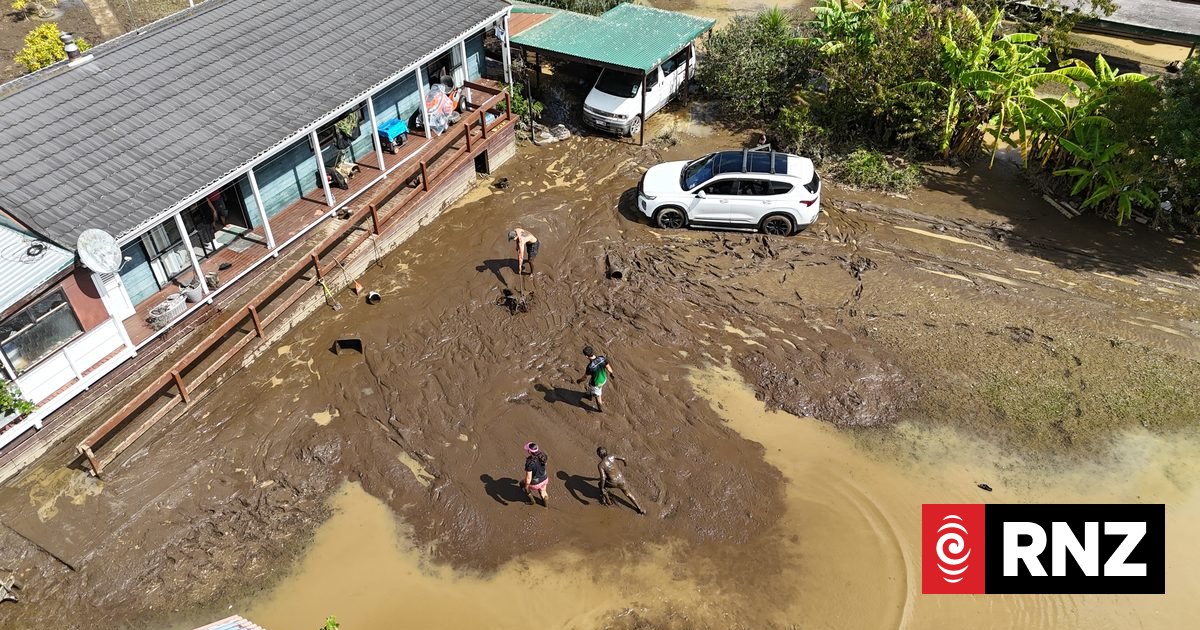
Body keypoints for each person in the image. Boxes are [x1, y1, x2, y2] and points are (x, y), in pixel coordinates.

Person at [596, 446, 644, 514]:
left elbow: (603, 478)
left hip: (612, 482)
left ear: (599, 454)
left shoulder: (601, 465)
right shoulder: (611, 456)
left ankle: (608, 501)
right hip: (621, 480)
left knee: (600, 485)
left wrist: (602, 488)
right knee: (628, 494)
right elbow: (623, 458)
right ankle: (639, 508)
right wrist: (625, 463)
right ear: (606, 452)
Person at [576, 345, 613, 412]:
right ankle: (588, 395)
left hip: (597, 384)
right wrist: (611, 374)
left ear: (586, 356)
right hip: (604, 378)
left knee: (598, 397)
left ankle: (600, 409)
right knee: (590, 385)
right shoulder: (602, 358)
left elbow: (584, 378)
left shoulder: (590, 367)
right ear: (593, 352)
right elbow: (608, 368)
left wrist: (579, 380)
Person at [521, 442, 550, 507]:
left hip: (535, 483)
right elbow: (545, 464)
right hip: (544, 479)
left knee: (522, 484)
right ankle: (545, 505)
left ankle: (532, 501)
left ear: (529, 451)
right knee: (543, 492)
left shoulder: (529, 463)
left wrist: (527, 486)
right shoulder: (543, 455)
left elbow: (528, 478)